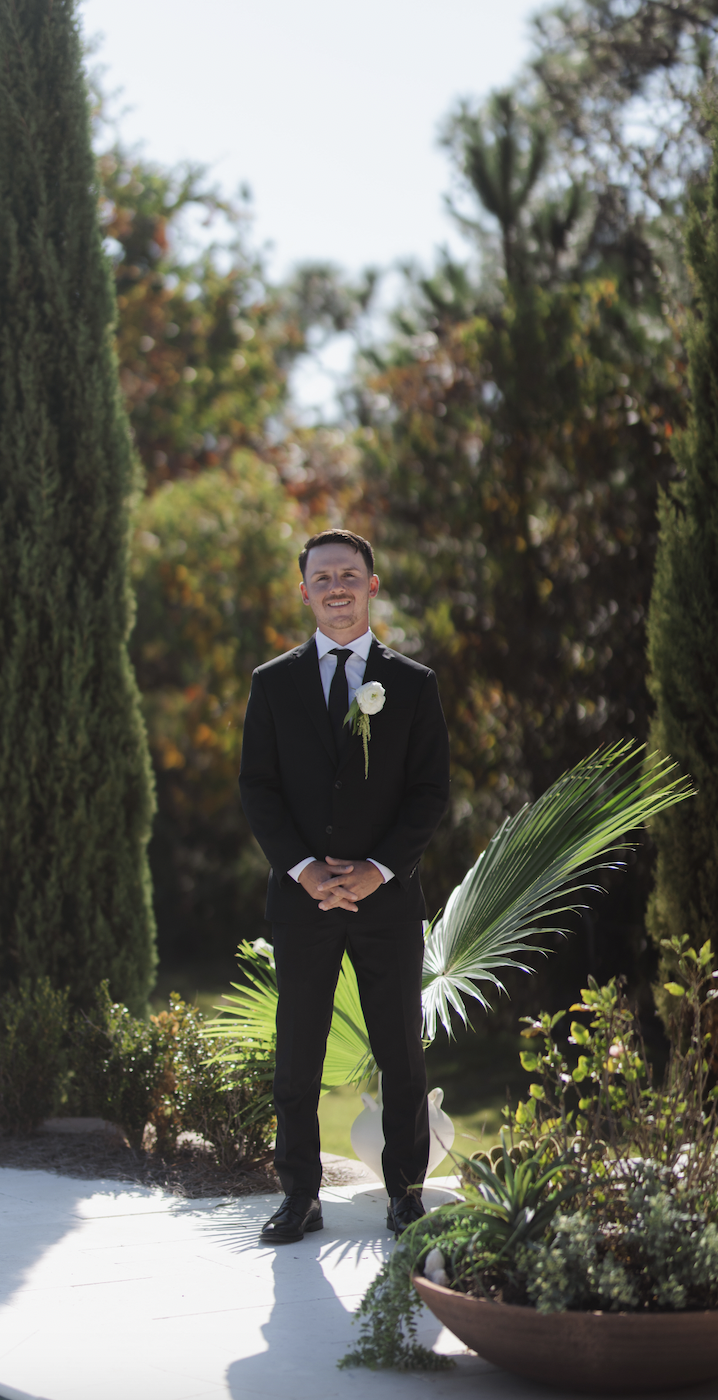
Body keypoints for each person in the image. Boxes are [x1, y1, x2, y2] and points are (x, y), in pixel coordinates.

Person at [239, 529, 450, 1242]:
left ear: (372, 586)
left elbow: (428, 793)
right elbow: (259, 790)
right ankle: (299, 1196)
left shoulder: (414, 686)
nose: (336, 587)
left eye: (349, 575)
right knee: (297, 1052)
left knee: (401, 1052)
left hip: (386, 900)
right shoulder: (272, 684)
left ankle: (405, 1195)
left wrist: (376, 869)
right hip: (302, 900)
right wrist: (305, 871)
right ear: (304, 591)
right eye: (322, 577)